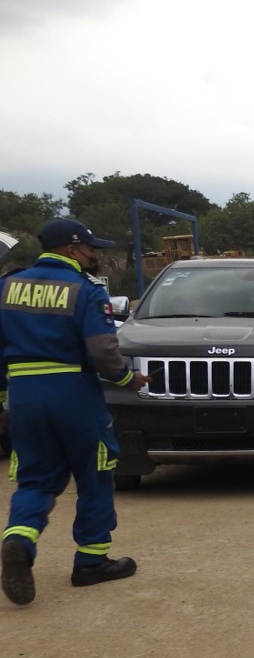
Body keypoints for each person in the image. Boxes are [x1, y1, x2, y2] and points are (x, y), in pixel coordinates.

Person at [1, 218, 149, 607]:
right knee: (95, 474)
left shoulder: (6, 287)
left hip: (24, 394)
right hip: (73, 392)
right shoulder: (84, 291)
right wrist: (127, 380)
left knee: (35, 479)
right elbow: (102, 350)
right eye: (89, 249)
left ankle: (18, 539)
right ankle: (91, 563)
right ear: (71, 249)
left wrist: (6, 395)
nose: (93, 255)